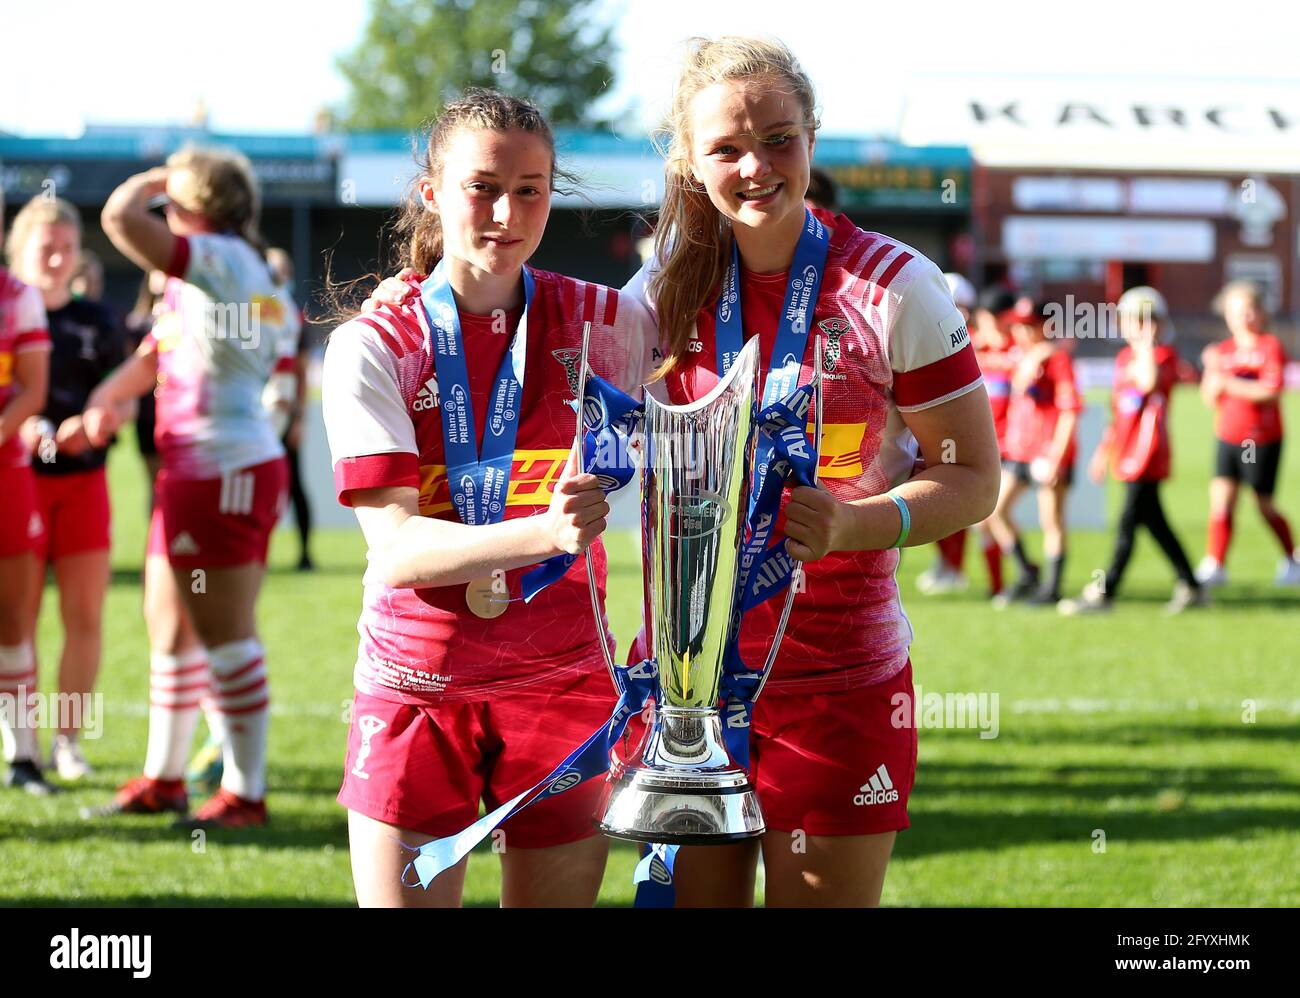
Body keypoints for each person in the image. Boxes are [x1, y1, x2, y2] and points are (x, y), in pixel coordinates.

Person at [622, 36, 1000, 906]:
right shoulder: (658, 294)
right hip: (688, 689)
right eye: (725, 148)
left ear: (813, 140)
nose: (755, 166)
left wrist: (857, 524)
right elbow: (526, 322)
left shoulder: (896, 288)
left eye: (779, 139)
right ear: (689, 158)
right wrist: (411, 290)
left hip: (840, 685)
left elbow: (975, 475)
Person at [321, 89, 656, 907]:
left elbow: (707, 257)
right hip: (417, 688)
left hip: (566, 684)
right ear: (432, 191)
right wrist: (544, 532)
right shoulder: (377, 344)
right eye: (482, 186)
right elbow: (397, 551)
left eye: (531, 189)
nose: (507, 212)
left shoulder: (604, 321)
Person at [81, 145, 293, 829]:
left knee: (225, 635)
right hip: (195, 468)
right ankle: (166, 778)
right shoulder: (222, 268)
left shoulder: (222, 256)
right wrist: (108, 398)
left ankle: (245, 793)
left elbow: (119, 219)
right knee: (170, 629)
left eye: (172, 198)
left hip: (224, 467)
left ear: (192, 203)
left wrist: (153, 178)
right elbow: (158, 354)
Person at [7, 196, 130, 781]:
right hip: (21, 482)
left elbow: (127, 393)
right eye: (45, 247)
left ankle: (68, 742)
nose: (57, 258)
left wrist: (106, 419)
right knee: (18, 618)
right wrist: (23, 427)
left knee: (84, 617)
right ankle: (21, 745)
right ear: (20, 251)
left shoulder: (99, 320)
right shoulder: (10, 316)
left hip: (84, 485)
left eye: (66, 248)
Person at [1059, 287, 1205, 614]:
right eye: (1129, 320)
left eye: (1141, 320)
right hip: (1126, 451)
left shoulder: (1162, 356)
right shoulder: (1125, 358)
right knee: (1154, 523)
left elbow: (1149, 383)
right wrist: (1103, 450)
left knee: (1127, 524)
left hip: (1148, 452)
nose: (1133, 327)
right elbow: (1120, 409)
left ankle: (1104, 592)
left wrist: (1146, 346)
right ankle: (1192, 585)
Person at [0, 189, 52, 794]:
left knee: (13, 621)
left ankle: (23, 756)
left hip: (8, 476)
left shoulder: (18, 299)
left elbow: (31, 393)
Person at [1196, 280, 1299, 586]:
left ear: (1260, 312)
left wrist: (1228, 382)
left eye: (1249, 310)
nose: (1243, 317)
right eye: (1236, 311)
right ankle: (1216, 564)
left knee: (1262, 504)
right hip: (1227, 435)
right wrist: (1212, 371)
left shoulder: (1269, 346)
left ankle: (1292, 559)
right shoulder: (1223, 351)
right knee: (1221, 501)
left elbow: (1271, 389)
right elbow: (1209, 397)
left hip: (1259, 439)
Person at [987, 297, 1082, 606]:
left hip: (1047, 452)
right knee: (995, 510)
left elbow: (1070, 410)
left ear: (1045, 326)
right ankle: (1027, 572)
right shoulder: (1023, 355)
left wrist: (1056, 458)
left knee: (1050, 520)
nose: (1022, 332)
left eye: (1029, 326)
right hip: (1020, 450)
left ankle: (1051, 588)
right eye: (1019, 325)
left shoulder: (1058, 361)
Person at [916, 272, 977, 594]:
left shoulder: (971, 340)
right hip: (931, 431)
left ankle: (958, 567)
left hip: (961, 433)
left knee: (957, 496)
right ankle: (947, 563)